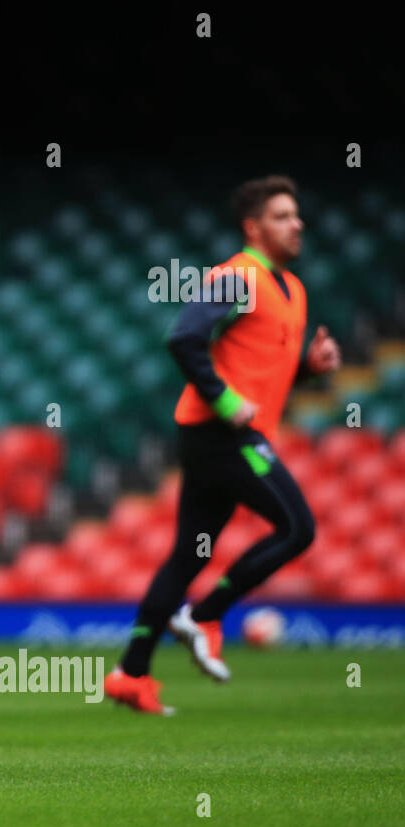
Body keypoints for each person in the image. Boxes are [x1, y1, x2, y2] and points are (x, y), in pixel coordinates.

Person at [106, 175, 340, 714]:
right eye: (282, 215)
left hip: (224, 435)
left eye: (296, 214)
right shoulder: (238, 276)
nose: (296, 223)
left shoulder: (292, 289)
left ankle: (130, 674)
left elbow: (263, 374)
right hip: (221, 434)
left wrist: (308, 369)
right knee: (297, 527)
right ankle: (207, 615)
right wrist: (225, 400)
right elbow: (183, 337)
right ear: (253, 227)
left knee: (188, 555)